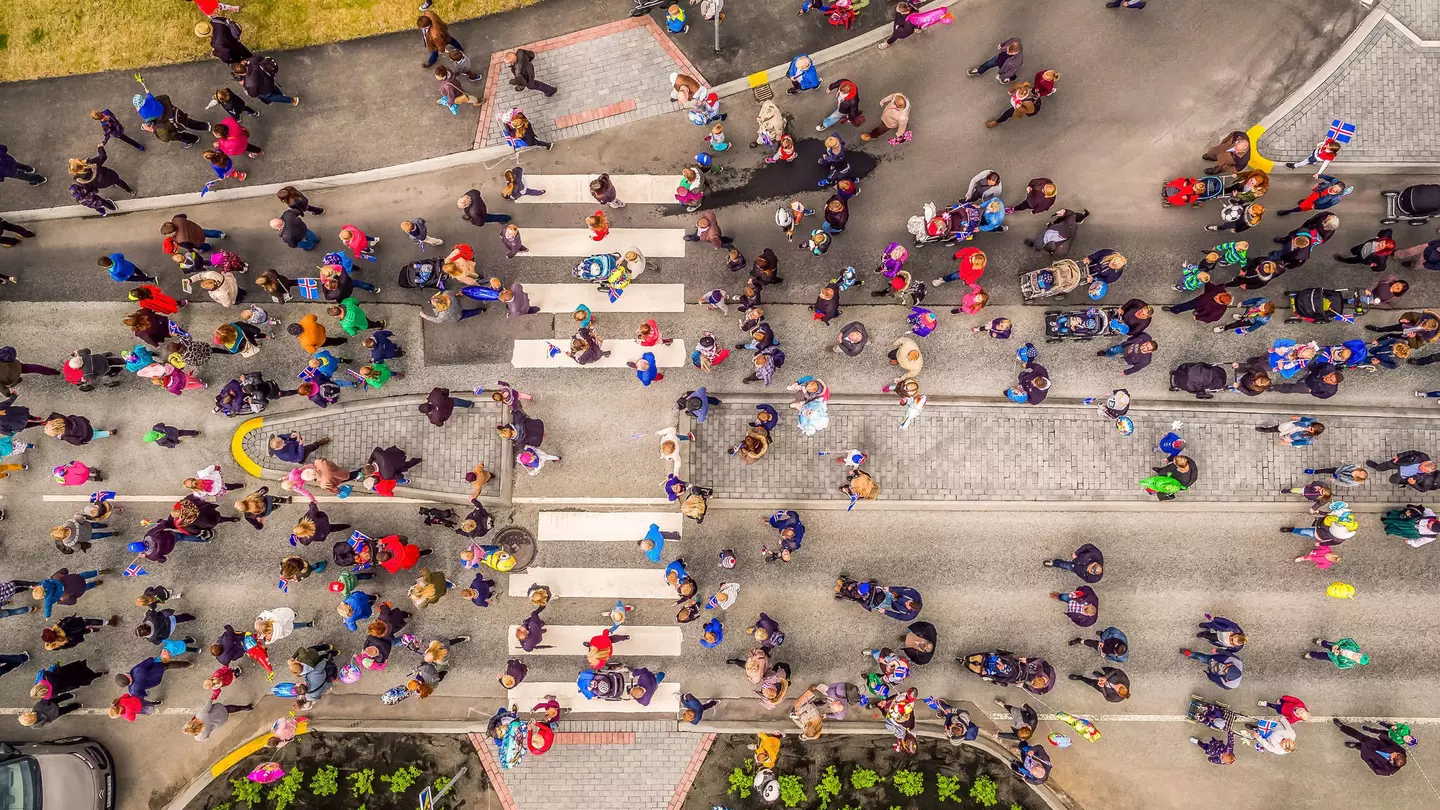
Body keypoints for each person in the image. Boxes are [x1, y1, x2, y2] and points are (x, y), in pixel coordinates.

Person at [1334, 720, 1407, 776]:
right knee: (1358, 735)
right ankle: (1342, 727)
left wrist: (1366, 759)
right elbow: (1391, 742)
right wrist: (1381, 736)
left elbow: (1376, 770)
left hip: (1368, 754)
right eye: (1397, 753)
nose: (1395, 752)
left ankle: (1357, 745)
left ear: (1392, 760)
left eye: (1394, 754)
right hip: (1374, 743)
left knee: (1362, 748)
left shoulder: (1388, 770)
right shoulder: (1401, 751)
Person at [1305, 637, 1369, 669]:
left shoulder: (1350, 664)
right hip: (1335, 646)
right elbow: (1348, 640)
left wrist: (1335, 656)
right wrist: (1338, 645)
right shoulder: (1355, 648)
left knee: (1320, 656)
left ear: (1357, 662)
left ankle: (1311, 654)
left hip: (1332, 657)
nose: (1358, 655)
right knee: (1326, 644)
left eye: (1359, 658)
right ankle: (1321, 642)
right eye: (1360, 654)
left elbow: (1339, 665)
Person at [1256, 416, 1324, 446]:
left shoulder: (1308, 440)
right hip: (1289, 427)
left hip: (1291, 436)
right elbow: (1304, 418)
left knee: (1282, 434)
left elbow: (1297, 443)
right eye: (1311, 426)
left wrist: (1286, 443)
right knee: (1276, 428)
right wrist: (1298, 417)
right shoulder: (1311, 421)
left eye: (1311, 429)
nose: (1309, 427)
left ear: (1313, 432)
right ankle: (1265, 430)